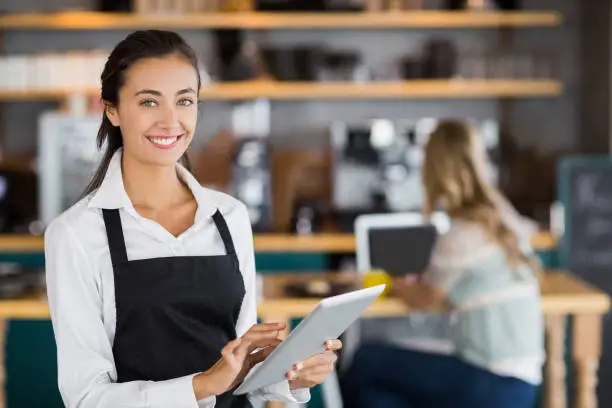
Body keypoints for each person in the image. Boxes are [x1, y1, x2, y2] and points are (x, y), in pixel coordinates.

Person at [44, 30, 341, 408]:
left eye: (185, 101)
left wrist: (290, 375)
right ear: (112, 109)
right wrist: (201, 385)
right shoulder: (76, 234)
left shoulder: (229, 217)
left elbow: (245, 373)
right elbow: (87, 398)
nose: (171, 121)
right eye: (149, 102)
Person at [342, 119, 544, 408]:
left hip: (491, 381)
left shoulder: (463, 233)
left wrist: (392, 284)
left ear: (434, 172)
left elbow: (422, 299)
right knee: (375, 400)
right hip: (521, 387)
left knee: (366, 359)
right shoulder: (505, 220)